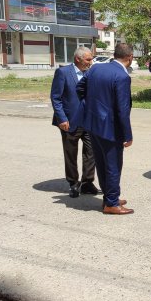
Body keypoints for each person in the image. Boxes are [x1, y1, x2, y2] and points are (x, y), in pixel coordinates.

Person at [77, 43, 134, 215]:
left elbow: (79, 88)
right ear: (130, 58)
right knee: (113, 165)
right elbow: (122, 109)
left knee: (102, 164)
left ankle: (110, 197)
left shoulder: (95, 69)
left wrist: (92, 108)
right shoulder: (122, 77)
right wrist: (128, 134)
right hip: (111, 128)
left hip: (93, 125)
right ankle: (111, 203)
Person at [50, 47, 98, 198]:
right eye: (88, 59)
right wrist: (62, 118)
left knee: (91, 152)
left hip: (89, 121)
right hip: (69, 121)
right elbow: (56, 97)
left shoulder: (91, 72)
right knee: (70, 153)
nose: (91, 62)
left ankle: (87, 182)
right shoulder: (63, 73)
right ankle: (73, 183)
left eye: (91, 59)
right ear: (78, 59)